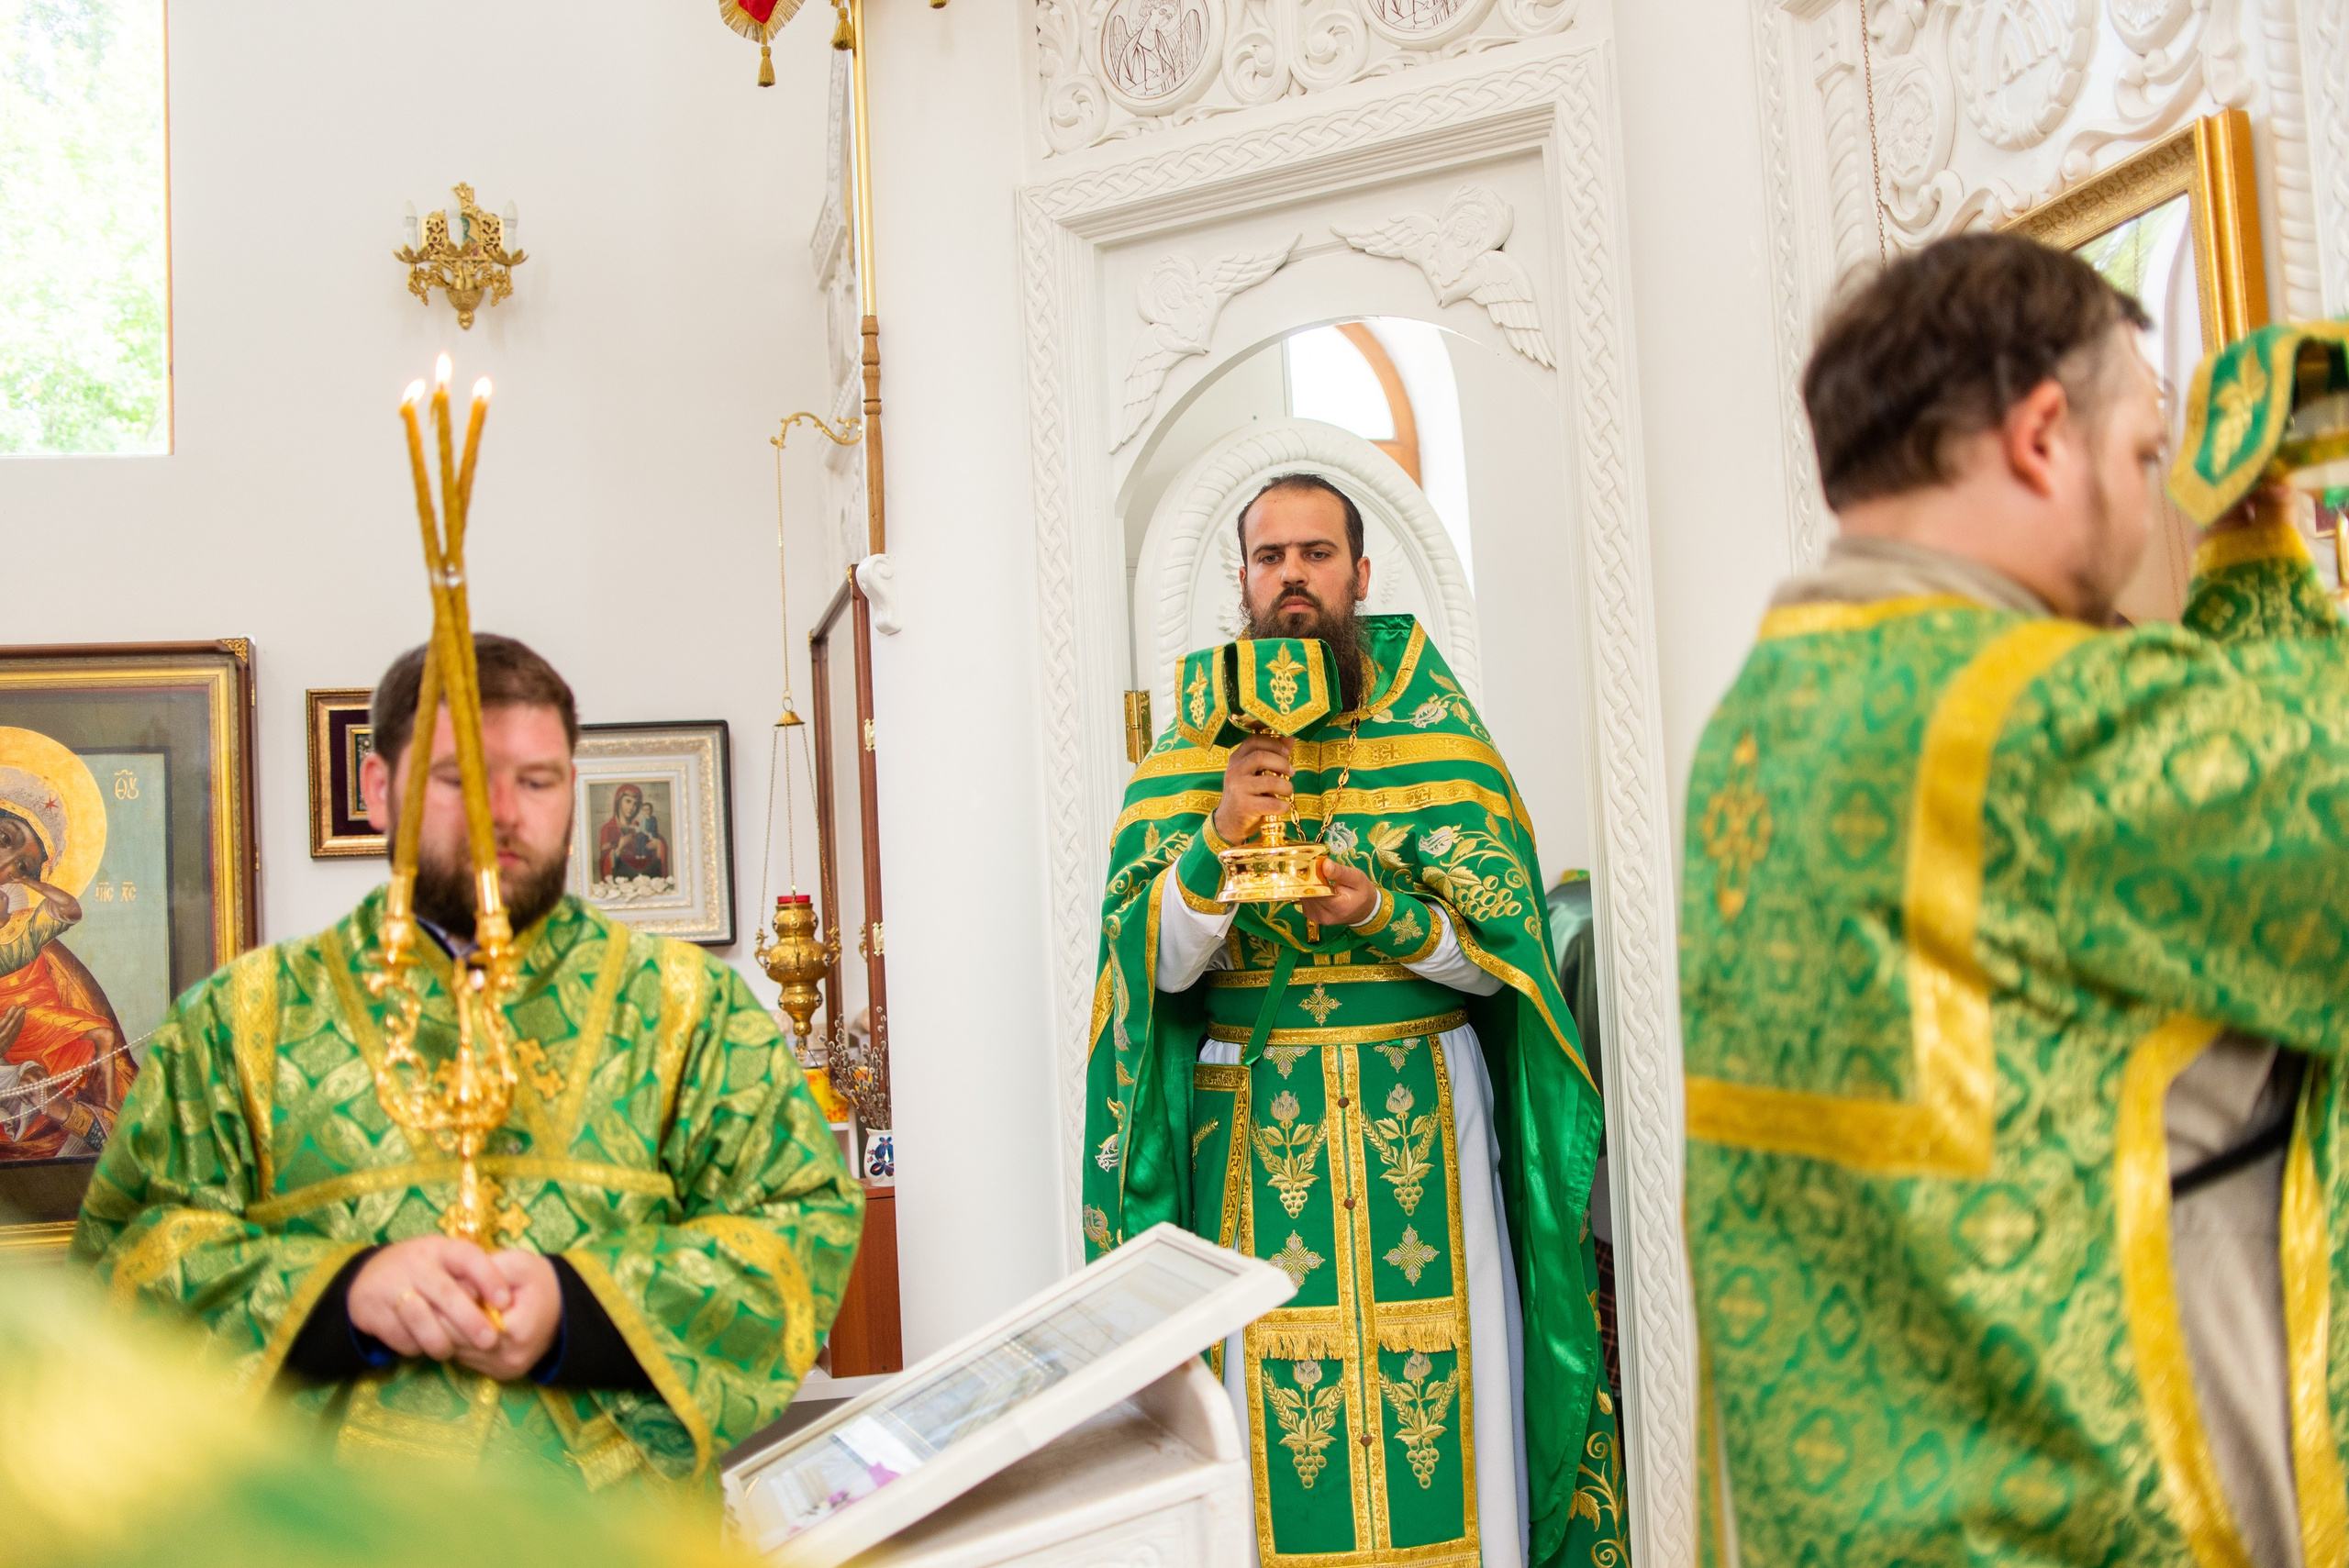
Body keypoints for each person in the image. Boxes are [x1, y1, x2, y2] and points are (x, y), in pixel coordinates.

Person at [1681, 231, 2349, 1568]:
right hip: (2065, 1521)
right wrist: (2264, 545)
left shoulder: (1761, 714)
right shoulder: (2025, 717)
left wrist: (2243, 553)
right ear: (2044, 437)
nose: (2153, 501)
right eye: (2145, 456)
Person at [74, 634, 863, 1493]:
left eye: (537, 781)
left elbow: (797, 1231)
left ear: (573, 789)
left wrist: (577, 1306)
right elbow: (129, 1262)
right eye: (457, 781)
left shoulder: (691, 1012)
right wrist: (344, 1293)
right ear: (379, 790)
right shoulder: (239, 1023)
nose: (501, 816)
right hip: (324, 1533)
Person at [1083, 474, 1622, 1568]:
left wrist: (1381, 911)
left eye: (1316, 553)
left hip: (1420, 1113)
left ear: (1360, 573)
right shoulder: (1188, 750)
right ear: (1241, 578)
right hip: (1249, 1121)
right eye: (1269, 555)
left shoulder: (1439, 736)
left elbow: (1504, 967)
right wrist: (1218, 839)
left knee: (1449, 1394)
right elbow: (1147, 972)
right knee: (1273, 1400)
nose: (1292, 575)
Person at [0, 764, 128, 1160]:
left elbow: (122, 1148)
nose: (5, 870)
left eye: (23, 867)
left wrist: (65, 1112)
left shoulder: (29, 937)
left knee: (89, 1042)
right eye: (3, 839)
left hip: (28, 1089)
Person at [596, 784, 671, 884]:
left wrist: (658, 844)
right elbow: (604, 862)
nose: (632, 807)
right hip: (621, 882)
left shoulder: (640, 827)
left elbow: (658, 843)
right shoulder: (608, 829)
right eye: (628, 801)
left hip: (647, 880)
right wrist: (619, 848)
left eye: (635, 804)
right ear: (618, 802)